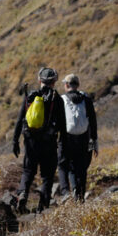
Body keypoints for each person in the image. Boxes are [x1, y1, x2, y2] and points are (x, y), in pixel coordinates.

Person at [12, 67, 66, 213]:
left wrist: (15, 141)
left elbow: (19, 120)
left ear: (39, 80)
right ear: (54, 82)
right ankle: (43, 206)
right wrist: (63, 145)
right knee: (47, 175)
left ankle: (23, 193)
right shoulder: (58, 99)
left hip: (30, 142)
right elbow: (63, 126)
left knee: (28, 171)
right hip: (49, 143)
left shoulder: (30, 96)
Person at [57, 73, 98, 202]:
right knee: (82, 167)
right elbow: (93, 120)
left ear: (67, 85)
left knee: (64, 164)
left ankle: (65, 192)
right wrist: (94, 140)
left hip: (67, 138)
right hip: (84, 137)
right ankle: (80, 195)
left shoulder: (62, 99)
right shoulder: (86, 99)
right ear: (77, 85)